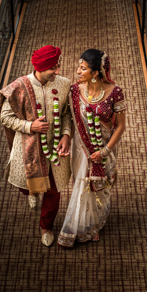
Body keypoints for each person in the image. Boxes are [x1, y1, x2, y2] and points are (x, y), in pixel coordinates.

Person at [0, 45, 73, 246]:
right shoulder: (18, 87)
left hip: (55, 149)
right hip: (28, 149)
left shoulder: (64, 84)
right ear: (39, 68)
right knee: (29, 186)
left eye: (58, 66)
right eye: (53, 68)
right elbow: (5, 116)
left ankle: (46, 227)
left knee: (53, 192)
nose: (57, 72)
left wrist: (66, 135)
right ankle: (31, 192)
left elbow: (66, 112)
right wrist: (30, 126)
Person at [58, 49, 127, 247]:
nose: (78, 71)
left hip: (104, 148)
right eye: (79, 67)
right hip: (82, 147)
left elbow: (121, 126)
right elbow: (69, 118)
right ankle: (80, 225)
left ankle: (94, 223)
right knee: (82, 183)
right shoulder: (74, 91)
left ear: (95, 72)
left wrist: (104, 152)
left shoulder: (115, 92)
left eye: (83, 68)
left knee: (100, 187)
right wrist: (66, 136)